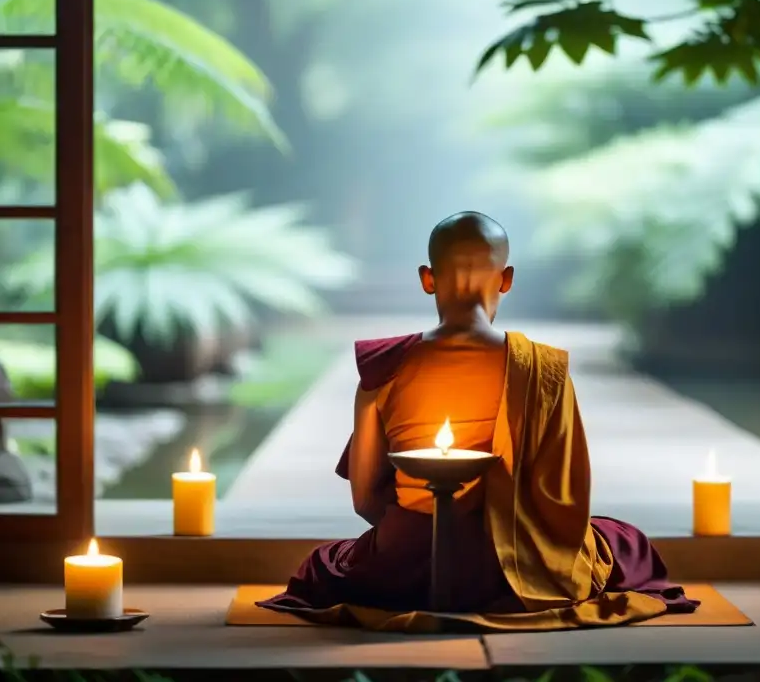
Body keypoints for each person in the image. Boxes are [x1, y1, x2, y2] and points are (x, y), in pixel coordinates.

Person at [257, 212, 699, 631]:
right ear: (506, 280)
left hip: (403, 564)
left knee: (326, 564)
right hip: (512, 566)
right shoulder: (541, 369)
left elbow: (364, 500)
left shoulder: (382, 368)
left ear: (427, 279)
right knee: (624, 542)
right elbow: (566, 504)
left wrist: (421, 534)